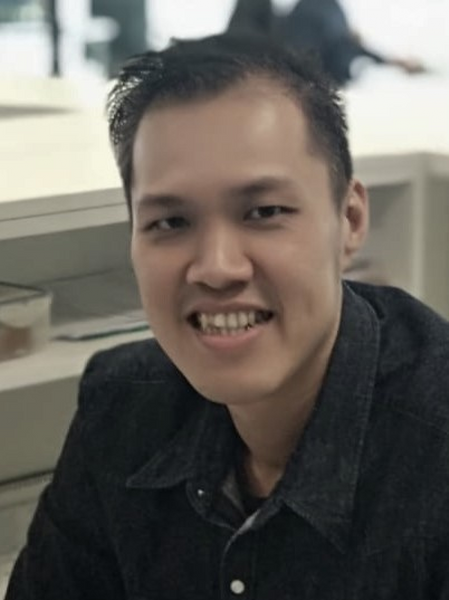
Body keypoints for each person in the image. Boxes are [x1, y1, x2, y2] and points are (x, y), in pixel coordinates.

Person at [6, 33, 449, 599]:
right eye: (171, 222)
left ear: (350, 220)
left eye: (264, 211)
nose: (217, 268)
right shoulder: (119, 410)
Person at [277, 0, 425, 84]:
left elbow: (353, 45)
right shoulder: (326, 12)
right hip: (297, 68)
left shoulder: (334, 12)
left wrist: (396, 63)